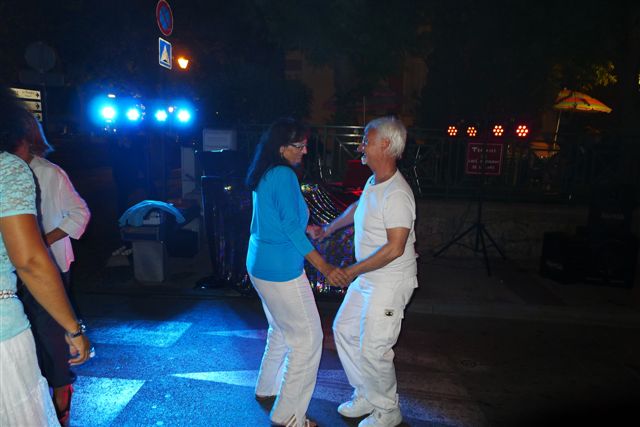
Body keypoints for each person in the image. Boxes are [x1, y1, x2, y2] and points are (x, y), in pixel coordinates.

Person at [312, 117, 418, 427]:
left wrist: (351, 270)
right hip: (369, 277)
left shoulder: (398, 194)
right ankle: (367, 395)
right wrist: (329, 228)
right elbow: (358, 208)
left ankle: (388, 410)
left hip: (390, 281)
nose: (361, 147)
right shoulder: (375, 182)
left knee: (375, 348)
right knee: (345, 330)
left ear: (385, 145)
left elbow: (394, 248)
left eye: (366, 141)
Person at [245, 117, 348, 427]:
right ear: (281, 147)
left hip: (260, 264)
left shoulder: (265, 172)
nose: (305, 150)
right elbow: (289, 227)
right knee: (308, 341)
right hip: (282, 271)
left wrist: (307, 229)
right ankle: (288, 415)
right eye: (299, 145)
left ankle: (267, 388)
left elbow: (277, 219)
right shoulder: (284, 175)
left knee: (280, 329)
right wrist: (325, 267)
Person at [0, 90, 93, 426]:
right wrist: (76, 329)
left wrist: (43, 240)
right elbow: (27, 257)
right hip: (21, 277)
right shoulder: (9, 169)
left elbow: (79, 213)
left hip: (47, 265)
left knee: (49, 332)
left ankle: (61, 389)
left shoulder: (50, 173)